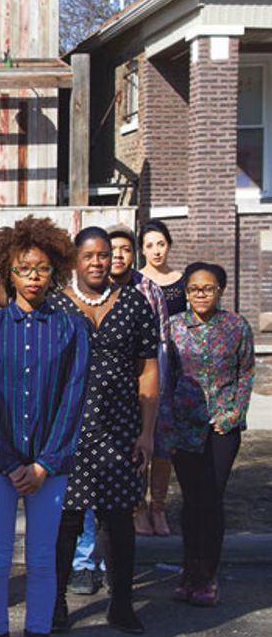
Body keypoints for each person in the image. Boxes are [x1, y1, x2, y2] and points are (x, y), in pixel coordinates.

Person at [0, 216, 89, 637]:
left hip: (48, 466)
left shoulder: (71, 327)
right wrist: (9, 461)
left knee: (41, 560)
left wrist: (45, 462)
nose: (33, 277)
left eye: (41, 268)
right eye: (23, 268)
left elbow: (73, 397)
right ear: (7, 272)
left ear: (56, 270)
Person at [49, 227, 159, 635]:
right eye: (89, 255)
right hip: (68, 429)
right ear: (75, 260)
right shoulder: (56, 304)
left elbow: (148, 369)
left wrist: (146, 432)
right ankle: (56, 604)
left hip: (120, 427)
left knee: (117, 521)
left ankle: (122, 605)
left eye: (103, 255)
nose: (97, 262)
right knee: (65, 521)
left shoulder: (134, 303)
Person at [168, 262, 254, 607]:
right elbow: (165, 375)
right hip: (184, 425)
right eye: (193, 289)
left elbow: (246, 372)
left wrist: (234, 414)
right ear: (186, 292)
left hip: (222, 426)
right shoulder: (173, 327)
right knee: (191, 500)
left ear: (220, 290)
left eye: (208, 288)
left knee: (212, 498)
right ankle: (189, 570)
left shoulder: (236, 326)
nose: (200, 294)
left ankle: (207, 575)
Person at [109, 224, 173, 539]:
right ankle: (136, 507)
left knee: (158, 441)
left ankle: (157, 507)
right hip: (113, 384)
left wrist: (158, 386)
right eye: (113, 250)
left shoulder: (149, 289)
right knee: (126, 446)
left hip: (148, 376)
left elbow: (162, 343)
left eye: (125, 249)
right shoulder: (96, 288)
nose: (118, 256)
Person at [138, 218, 184, 532]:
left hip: (177, 366)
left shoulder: (183, 281)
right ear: (142, 250)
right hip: (145, 364)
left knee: (165, 438)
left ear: (169, 245)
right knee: (141, 434)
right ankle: (138, 506)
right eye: (150, 245)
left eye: (161, 244)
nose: (156, 251)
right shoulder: (136, 282)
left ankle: (158, 507)